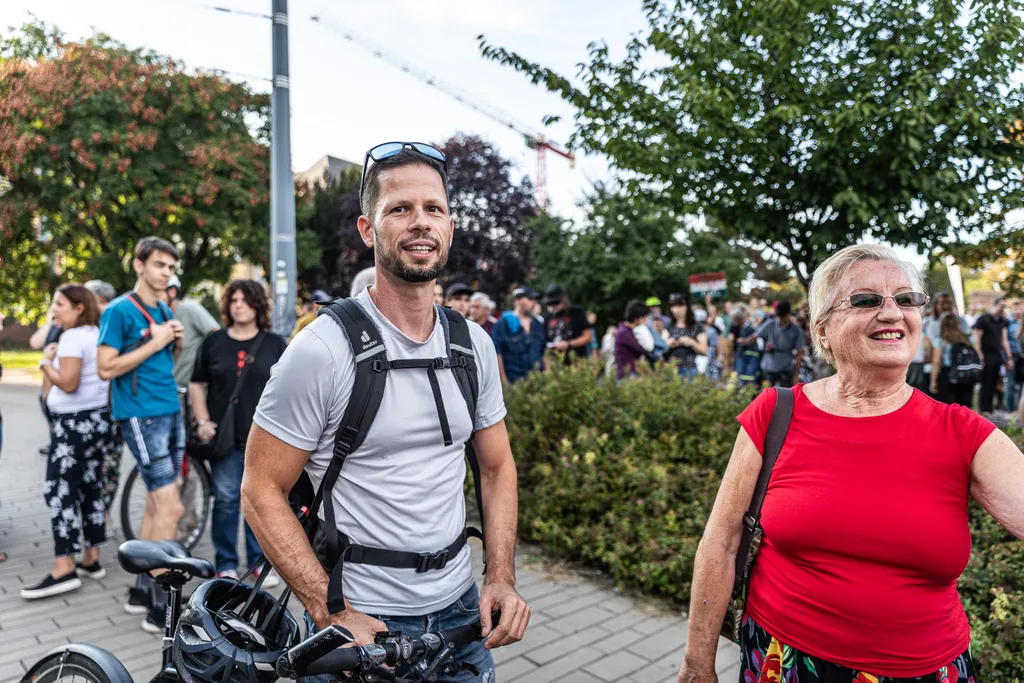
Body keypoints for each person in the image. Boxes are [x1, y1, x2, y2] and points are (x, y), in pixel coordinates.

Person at [242, 142, 528, 680]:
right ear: (368, 230)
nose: (421, 222)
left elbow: (496, 467)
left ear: (449, 225)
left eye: (433, 209)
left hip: (462, 612)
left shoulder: (473, 345)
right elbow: (260, 490)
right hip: (363, 620)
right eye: (400, 209)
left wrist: (501, 577)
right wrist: (329, 611)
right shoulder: (321, 350)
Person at [676, 244, 1024, 683]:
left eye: (905, 299)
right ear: (823, 331)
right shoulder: (776, 413)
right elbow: (721, 543)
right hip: (782, 662)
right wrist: (696, 664)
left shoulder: (963, 432)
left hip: (924, 671)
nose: (892, 312)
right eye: (866, 300)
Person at [97, 236, 186, 633]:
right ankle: (158, 605)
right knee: (172, 508)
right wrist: (156, 342)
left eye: (170, 266)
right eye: (158, 264)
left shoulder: (163, 307)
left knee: (156, 506)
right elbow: (106, 368)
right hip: (141, 416)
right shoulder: (119, 310)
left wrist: (174, 343)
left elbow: (162, 361)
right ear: (138, 265)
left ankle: (139, 588)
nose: (165, 272)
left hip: (168, 409)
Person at [189, 280, 287, 586]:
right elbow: (196, 384)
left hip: (266, 437)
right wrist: (203, 421)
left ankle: (258, 561)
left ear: (258, 305)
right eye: (233, 299)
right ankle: (226, 564)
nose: (238, 305)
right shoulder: (214, 343)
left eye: (245, 299)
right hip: (226, 438)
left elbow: (288, 388)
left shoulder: (274, 344)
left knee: (261, 499)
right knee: (228, 499)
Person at [21, 284, 115, 600]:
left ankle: (64, 567)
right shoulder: (97, 333)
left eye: (59, 304)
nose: (53, 310)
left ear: (78, 307)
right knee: (89, 487)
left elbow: (69, 383)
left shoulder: (72, 337)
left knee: (59, 490)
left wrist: (45, 363)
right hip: (96, 423)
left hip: (72, 425)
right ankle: (92, 559)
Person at [84, 280, 124, 514]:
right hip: (90, 409)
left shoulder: (113, 326)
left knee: (109, 465)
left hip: (111, 409)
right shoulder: (84, 328)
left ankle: (105, 513)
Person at [163, 275, 220, 389]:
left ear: (172, 292)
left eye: (158, 291)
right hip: (170, 389)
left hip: (192, 391)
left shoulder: (191, 310)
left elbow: (217, 336)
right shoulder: (159, 319)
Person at [491, 287, 546, 385]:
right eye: (529, 299)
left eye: (534, 300)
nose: (533, 303)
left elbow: (544, 353)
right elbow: (497, 354)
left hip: (538, 382)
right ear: (517, 300)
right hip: (515, 382)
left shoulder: (538, 324)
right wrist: (504, 383)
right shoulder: (504, 323)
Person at [922, 291, 970, 397]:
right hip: (931, 368)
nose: (946, 306)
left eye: (949, 303)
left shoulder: (961, 321)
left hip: (956, 369)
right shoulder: (927, 322)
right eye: (943, 303)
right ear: (936, 305)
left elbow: (968, 342)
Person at [30, 306, 64, 455]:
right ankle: (55, 440)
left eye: (60, 304)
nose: (55, 308)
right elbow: (35, 343)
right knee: (46, 405)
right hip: (48, 377)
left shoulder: (72, 330)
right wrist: (49, 322)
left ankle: (60, 441)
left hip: (60, 375)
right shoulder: (54, 325)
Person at [972, 297, 1013, 416]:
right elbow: (977, 338)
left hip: (997, 355)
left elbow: (1004, 340)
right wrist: (979, 354)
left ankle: (989, 408)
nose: (1002, 309)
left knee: (994, 382)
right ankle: (983, 408)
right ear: (995, 305)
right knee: (986, 383)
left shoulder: (1002, 320)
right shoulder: (983, 319)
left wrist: (1008, 357)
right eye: (1001, 306)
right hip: (985, 354)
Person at [929, 312, 978, 407]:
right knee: (965, 407)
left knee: (948, 407)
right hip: (966, 374)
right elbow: (977, 355)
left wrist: (933, 381)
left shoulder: (940, 340)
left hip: (947, 375)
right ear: (957, 323)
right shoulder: (968, 339)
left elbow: (936, 362)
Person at [754, 300, 805, 388]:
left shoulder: (796, 330)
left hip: (786, 367)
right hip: (769, 365)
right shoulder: (770, 324)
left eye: (783, 316)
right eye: (779, 316)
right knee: (768, 395)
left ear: (789, 314)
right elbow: (756, 336)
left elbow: (799, 353)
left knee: (785, 396)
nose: (780, 319)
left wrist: (796, 374)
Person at [543, 284, 592, 363]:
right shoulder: (547, 317)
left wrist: (569, 344)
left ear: (563, 299)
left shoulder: (577, 312)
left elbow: (588, 337)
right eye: (550, 304)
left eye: (556, 303)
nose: (553, 306)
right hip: (555, 365)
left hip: (576, 363)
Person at [666, 295, 707, 380]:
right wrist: (669, 343)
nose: (677, 310)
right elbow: (661, 348)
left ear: (686, 307)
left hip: (689, 369)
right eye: (674, 306)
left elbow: (703, 350)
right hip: (671, 368)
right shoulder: (668, 326)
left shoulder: (696, 326)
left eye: (680, 306)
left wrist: (692, 343)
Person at [614, 300, 652, 380]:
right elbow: (643, 349)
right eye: (644, 317)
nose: (646, 320)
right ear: (636, 318)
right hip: (626, 376)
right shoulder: (624, 332)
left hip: (632, 374)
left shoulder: (630, 330)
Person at [730, 309, 760, 387]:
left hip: (750, 356)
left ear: (739, 319)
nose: (734, 322)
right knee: (739, 374)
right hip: (739, 355)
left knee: (749, 375)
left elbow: (754, 340)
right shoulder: (735, 327)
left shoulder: (750, 328)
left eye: (735, 320)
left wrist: (744, 341)